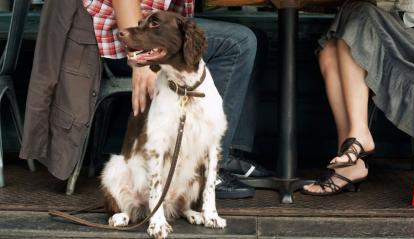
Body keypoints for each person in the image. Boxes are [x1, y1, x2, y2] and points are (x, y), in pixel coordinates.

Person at [83, 0, 273, 198]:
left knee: (256, 38)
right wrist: (140, 59)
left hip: (158, 32)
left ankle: (228, 151)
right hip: (121, 38)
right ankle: (208, 170)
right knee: (240, 42)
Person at [302, 0, 414, 195]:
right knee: (330, 51)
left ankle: (358, 137)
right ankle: (349, 155)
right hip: (402, 26)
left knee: (357, 14)